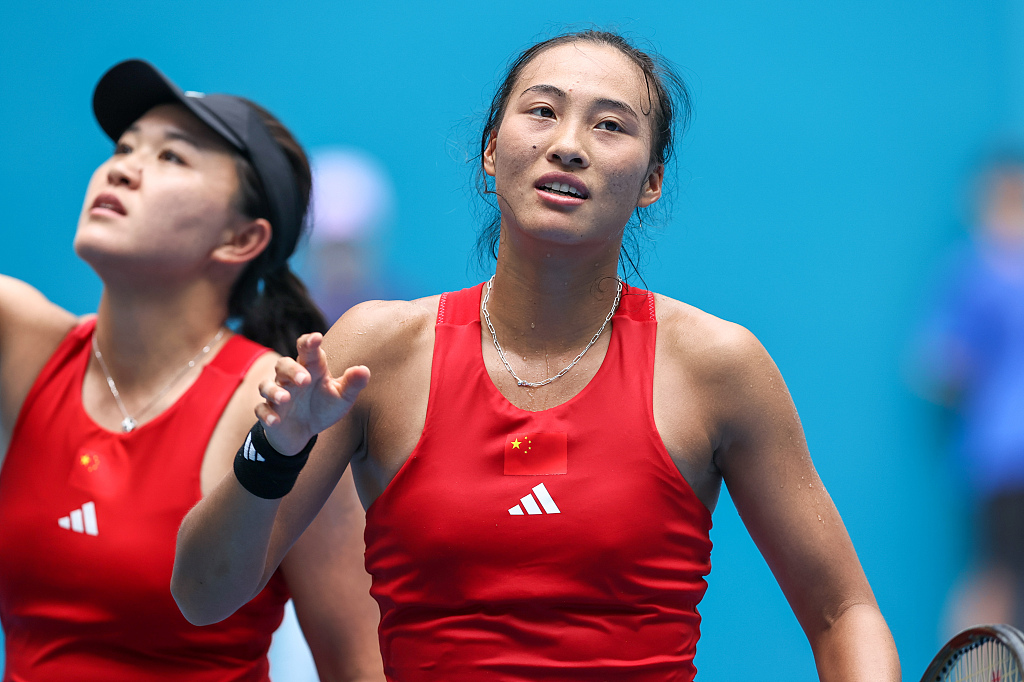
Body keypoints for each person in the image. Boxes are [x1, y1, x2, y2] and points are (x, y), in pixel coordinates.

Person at [172, 31, 901, 681]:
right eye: (542, 111)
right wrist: (276, 448)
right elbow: (204, 595)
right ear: (492, 151)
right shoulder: (378, 350)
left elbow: (843, 614)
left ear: (651, 182)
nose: (569, 144)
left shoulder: (717, 365)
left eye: (610, 125)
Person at [0, 60, 383, 681]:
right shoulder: (18, 342)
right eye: (124, 148)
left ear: (240, 240)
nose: (121, 166)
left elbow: (362, 669)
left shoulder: (282, 410)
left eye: (172, 158)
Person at [915, 152, 1024, 634]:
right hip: (1003, 462)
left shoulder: (977, 269)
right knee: (996, 578)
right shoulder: (979, 270)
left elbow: (943, 369)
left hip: (999, 457)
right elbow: (942, 367)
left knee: (994, 578)